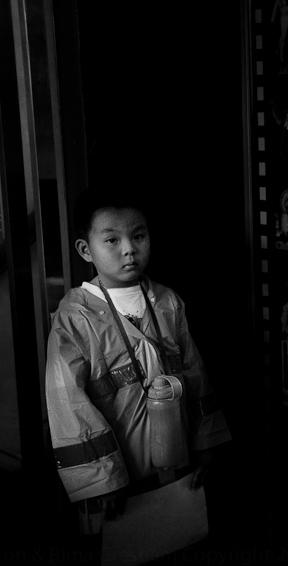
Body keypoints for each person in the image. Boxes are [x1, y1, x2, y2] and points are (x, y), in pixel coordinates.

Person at [45, 189, 231, 541]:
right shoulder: (74, 318)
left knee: (177, 540)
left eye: (139, 236)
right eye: (112, 240)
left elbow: (195, 374)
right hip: (119, 471)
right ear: (86, 250)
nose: (129, 248)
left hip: (178, 458)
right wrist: (103, 480)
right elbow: (67, 403)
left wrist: (206, 442)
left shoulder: (166, 301)